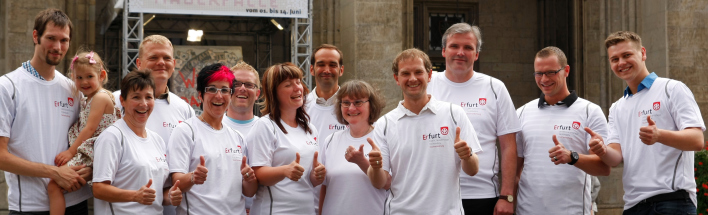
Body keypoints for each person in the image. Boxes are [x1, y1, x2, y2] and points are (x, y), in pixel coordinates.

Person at [597, 31, 705, 214]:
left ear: (643, 53)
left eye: (627, 55)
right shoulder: (617, 107)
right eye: (614, 59)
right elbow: (615, 158)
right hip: (633, 205)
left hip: (672, 200)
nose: (621, 63)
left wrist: (659, 135)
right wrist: (601, 150)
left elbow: (697, 140)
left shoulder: (672, 89)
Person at [366, 48, 482, 214]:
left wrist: (467, 155)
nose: (412, 79)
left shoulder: (453, 114)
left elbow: (473, 170)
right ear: (396, 79)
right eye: (405, 73)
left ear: (429, 75)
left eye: (418, 72)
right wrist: (375, 167)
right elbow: (379, 182)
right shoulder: (385, 124)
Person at [0, 9, 93, 214]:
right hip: (30, 205)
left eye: (64, 40)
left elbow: (88, 139)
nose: (58, 47)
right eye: (51, 38)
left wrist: (88, 170)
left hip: (75, 199)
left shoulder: (73, 89)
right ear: (36, 36)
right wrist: (55, 173)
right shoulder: (8, 87)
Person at [427, 22, 520, 215]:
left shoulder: (495, 88)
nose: (460, 52)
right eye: (454, 46)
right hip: (435, 195)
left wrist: (507, 196)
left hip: (482, 196)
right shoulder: (427, 86)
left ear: (476, 54)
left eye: (468, 47)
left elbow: (508, 146)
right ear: (444, 51)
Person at [514, 46, 610, 214]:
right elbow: (515, 170)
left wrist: (572, 157)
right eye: (539, 73)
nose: (544, 79)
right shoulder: (521, 113)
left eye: (551, 72)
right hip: (527, 211)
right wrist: (507, 200)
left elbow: (604, 168)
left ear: (566, 70)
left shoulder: (590, 111)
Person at [112, 35, 193, 214]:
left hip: (171, 202)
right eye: (153, 58)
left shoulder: (185, 109)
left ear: (174, 63)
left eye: (166, 58)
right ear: (139, 63)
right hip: (125, 205)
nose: (161, 63)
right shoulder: (115, 101)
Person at [167, 63, 258, 214]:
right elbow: (176, 182)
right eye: (212, 89)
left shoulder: (237, 137)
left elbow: (249, 192)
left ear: (230, 95)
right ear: (200, 95)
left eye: (224, 90)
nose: (219, 96)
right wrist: (192, 177)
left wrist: (250, 179)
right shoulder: (186, 131)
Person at [93, 69, 183, 214]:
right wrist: (135, 196)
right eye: (136, 97)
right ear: (122, 100)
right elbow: (98, 189)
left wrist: (170, 196)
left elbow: (156, 195)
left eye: (149, 97)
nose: (143, 104)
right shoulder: (112, 137)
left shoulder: (157, 140)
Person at [247, 62, 326, 215]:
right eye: (288, 84)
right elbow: (259, 175)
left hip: (306, 210)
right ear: (273, 92)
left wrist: (316, 175)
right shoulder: (265, 126)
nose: (298, 88)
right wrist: (284, 171)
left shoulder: (310, 128)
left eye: (298, 82)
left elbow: (310, 180)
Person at [48, 51, 118, 215]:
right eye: (79, 78)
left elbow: (90, 129)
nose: (84, 82)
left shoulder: (100, 97)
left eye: (89, 77)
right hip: (92, 152)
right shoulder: (89, 98)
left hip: (91, 154)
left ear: (101, 75)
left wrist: (70, 152)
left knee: (53, 186)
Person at [318, 80, 389, 215]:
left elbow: (387, 184)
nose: (351, 108)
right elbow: (325, 188)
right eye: (346, 103)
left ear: (371, 105)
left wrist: (362, 162)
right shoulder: (331, 140)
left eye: (358, 102)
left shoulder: (382, 138)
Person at [305, 44, 348, 212]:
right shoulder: (299, 107)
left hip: (340, 197)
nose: (327, 69)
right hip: (305, 199)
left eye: (333, 64)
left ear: (341, 70)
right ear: (312, 69)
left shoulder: (352, 108)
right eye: (321, 64)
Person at [224, 61, 262, 213]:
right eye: (236, 84)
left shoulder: (268, 128)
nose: (242, 89)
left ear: (258, 93)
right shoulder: (214, 127)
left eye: (249, 85)